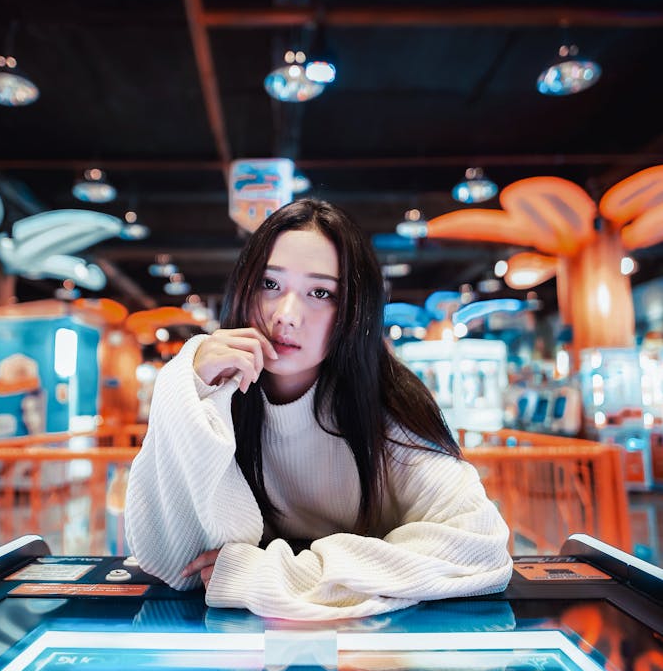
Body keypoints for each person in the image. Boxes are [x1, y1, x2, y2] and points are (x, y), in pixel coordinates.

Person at [125, 199, 512, 620]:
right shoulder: (211, 389)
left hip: (371, 659)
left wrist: (288, 576)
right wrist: (188, 386)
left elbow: (482, 546)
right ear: (243, 287)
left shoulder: (387, 403)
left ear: (353, 312)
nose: (286, 315)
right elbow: (173, 565)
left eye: (321, 292)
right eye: (270, 284)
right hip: (244, 660)